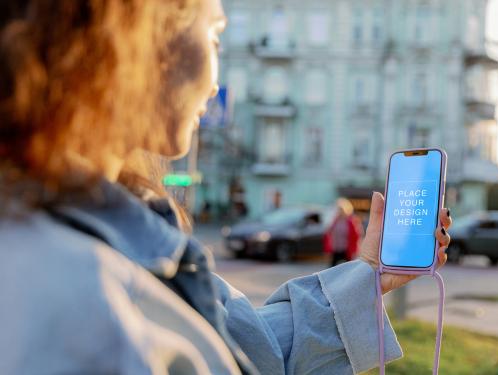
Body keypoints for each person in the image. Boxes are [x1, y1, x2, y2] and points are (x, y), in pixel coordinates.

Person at [0, 1, 453, 374]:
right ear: (139, 36)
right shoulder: (73, 294)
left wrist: (371, 273)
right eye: (214, 36)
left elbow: (255, 349)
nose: (216, 82)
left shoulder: (109, 232)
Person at [324, 198, 364, 266]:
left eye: (341, 209)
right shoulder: (335, 220)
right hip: (336, 248)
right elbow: (329, 233)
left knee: (349, 269)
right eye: (338, 209)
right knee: (332, 268)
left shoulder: (351, 221)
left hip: (347, 249)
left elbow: (357, 235)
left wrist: (355, 249)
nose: (339, 211)